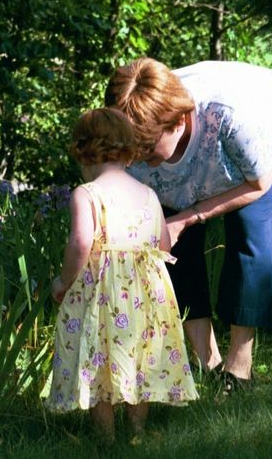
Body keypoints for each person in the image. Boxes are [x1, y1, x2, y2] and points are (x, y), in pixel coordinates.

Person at [104, 57, 272, 394]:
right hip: (205, 159)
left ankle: (239, 369)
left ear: (177, 122)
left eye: (146, 147)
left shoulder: (230, 117)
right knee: (173, 242)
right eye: (131, 148)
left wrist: (190, 216)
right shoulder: (130, 134)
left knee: (249, 228)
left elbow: (259, 184)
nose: (136, 158)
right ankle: (210, 365)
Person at [45, 107, 198, 442]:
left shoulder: (87, 194)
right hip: (145, 296)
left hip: (104, 294)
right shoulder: (149, 194)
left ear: (83, 151)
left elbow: (81, 242)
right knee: (138, 356)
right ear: (129, 151)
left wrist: (64, 281)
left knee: (99, 355)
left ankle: (105, 436)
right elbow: (163, 243)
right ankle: (137, 431)